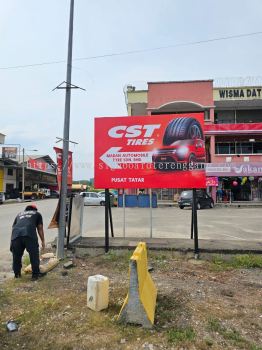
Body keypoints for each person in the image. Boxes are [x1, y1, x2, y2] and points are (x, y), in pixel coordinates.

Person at [10, 204, 46, 281]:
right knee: (34, 254)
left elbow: (13, 228)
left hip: (15, 236)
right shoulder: (37, 214)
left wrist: (11, 242)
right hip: (29, 234)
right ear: (35, 209)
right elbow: (40, 228)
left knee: (16, 256)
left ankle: (17, 274)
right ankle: (35, 275)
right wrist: (43, 241)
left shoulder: (19, 215)